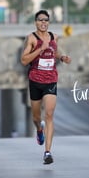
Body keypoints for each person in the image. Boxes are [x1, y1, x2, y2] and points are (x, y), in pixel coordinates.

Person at [20, 9, 71, 165]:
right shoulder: (31, 38)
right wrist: (39, 50)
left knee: (49, 114)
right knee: (36, 118)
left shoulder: (54, 37)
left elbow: (53, 51)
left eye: (46, 20)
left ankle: (47, 152)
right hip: (35, 80)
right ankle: (39, 129)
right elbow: (23, 60)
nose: (43, 23)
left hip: (50, 80)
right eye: (40, 20)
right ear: (36, 22)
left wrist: (61, 57)